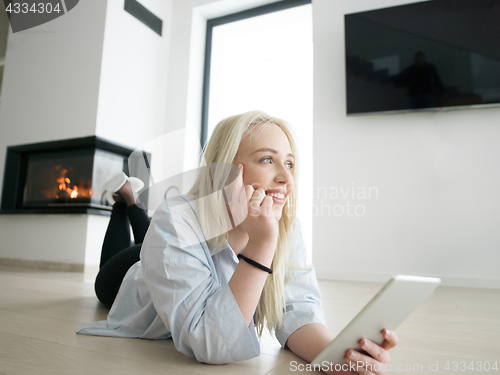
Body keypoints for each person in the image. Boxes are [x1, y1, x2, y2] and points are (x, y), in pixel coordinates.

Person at [78, 111, 398, 374]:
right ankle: (124, 203)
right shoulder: (176, 218)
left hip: (167, 250)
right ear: (226, 169)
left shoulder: (286, 227)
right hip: (129, 277)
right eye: (267, 160)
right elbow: (211, 343)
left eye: (288, 163)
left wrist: (337, 358)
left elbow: (299, 310)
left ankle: (128, 200)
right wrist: (261, 247)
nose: (286, 179)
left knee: (152, 232)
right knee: (113, 262)